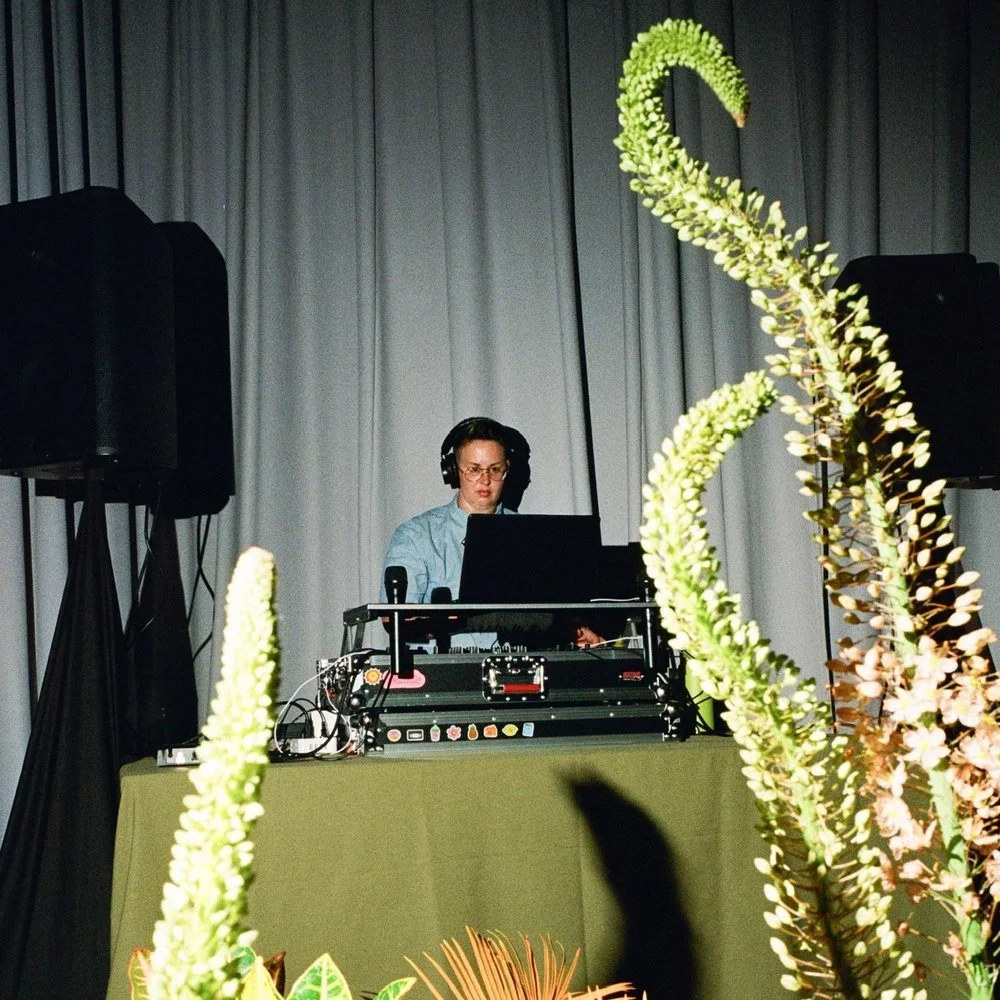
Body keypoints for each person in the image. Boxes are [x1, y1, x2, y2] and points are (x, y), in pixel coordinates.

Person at [380, 416, 601, 648]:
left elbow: (547, 612)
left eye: (495, 469)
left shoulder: (531, 536)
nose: (485, 480)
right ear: (454, 472)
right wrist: (480, 617)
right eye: (474, 470)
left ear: (507, 470)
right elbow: (393, 619)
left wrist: (572, 630)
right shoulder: (415, 536)